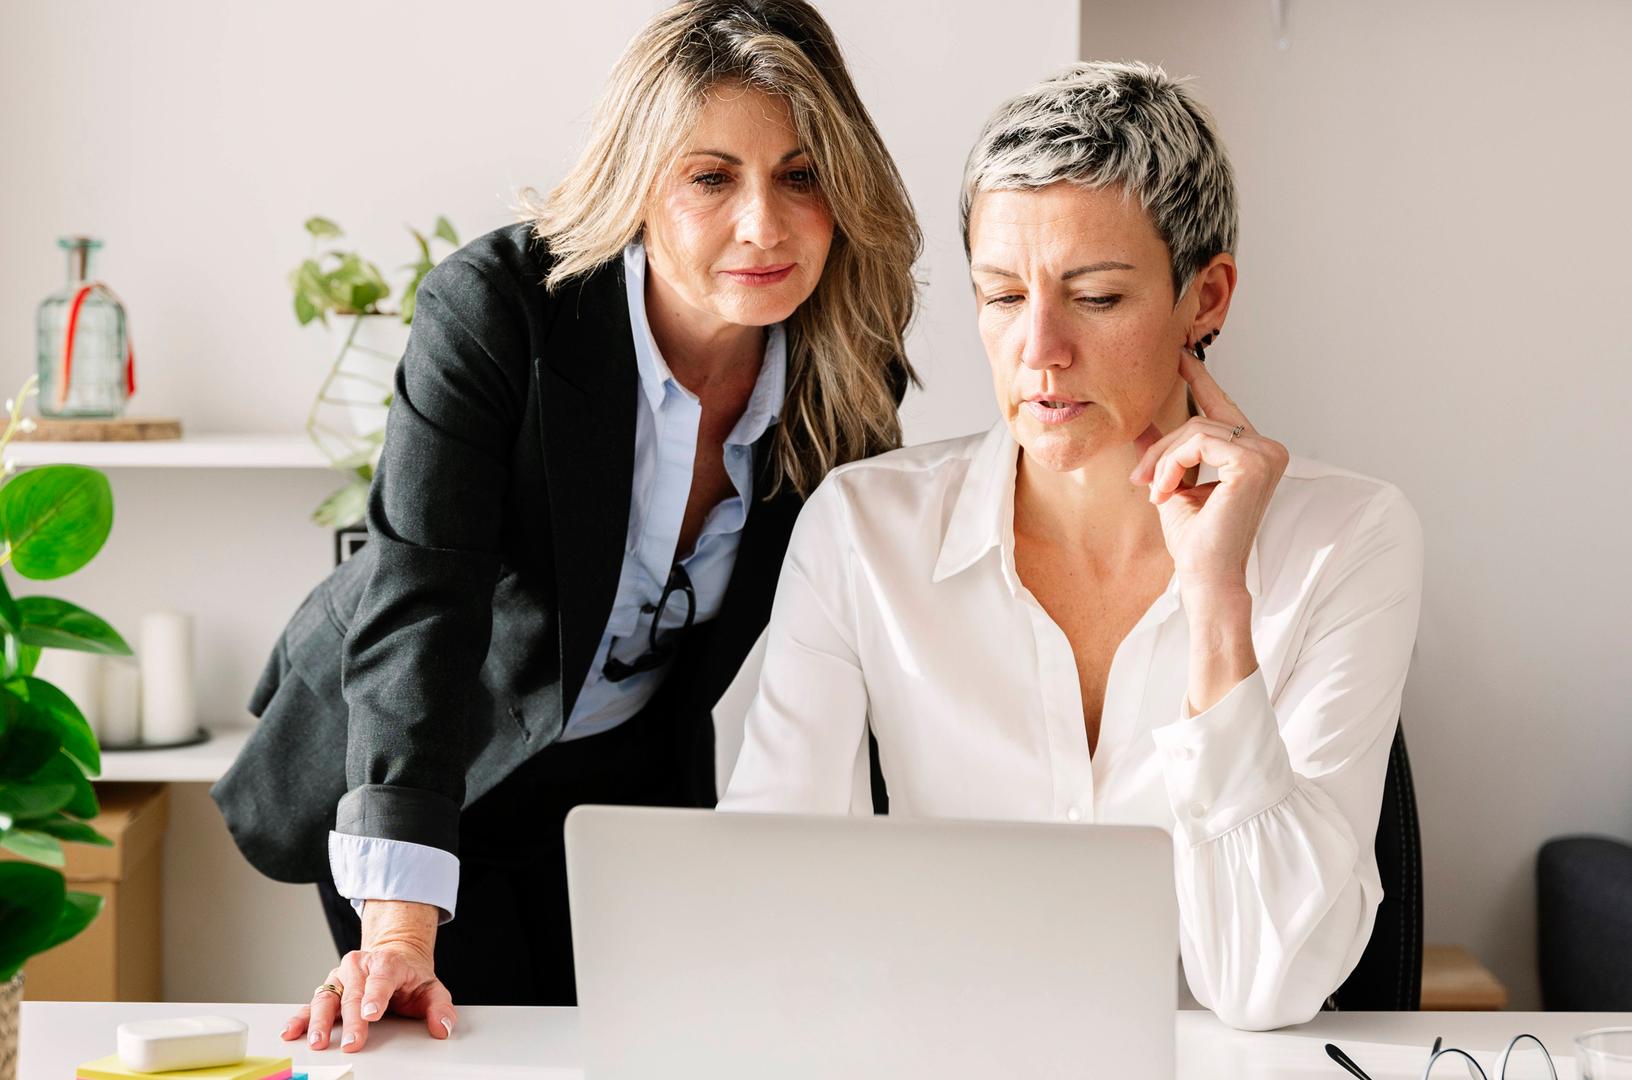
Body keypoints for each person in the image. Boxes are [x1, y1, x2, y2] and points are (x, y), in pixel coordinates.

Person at [209, 0, 921, 1053]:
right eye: (712, 177)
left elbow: (864, 631)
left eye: (803, 175)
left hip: (628, 787)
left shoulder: (848, 365)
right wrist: (401, 925)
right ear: (639, 185)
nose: (764, 224)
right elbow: (422, 599)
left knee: (648, 1053)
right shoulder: (500, 309)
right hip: (430, 753)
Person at [719, 61, 1424, 1032]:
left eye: (1094, 298)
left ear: (1206, 297)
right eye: (1003, 297)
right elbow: (766, 903)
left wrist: (1218, 602)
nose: (1039, 349)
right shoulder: (861, 533)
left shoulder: (1346, 539)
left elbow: (1265, 986)